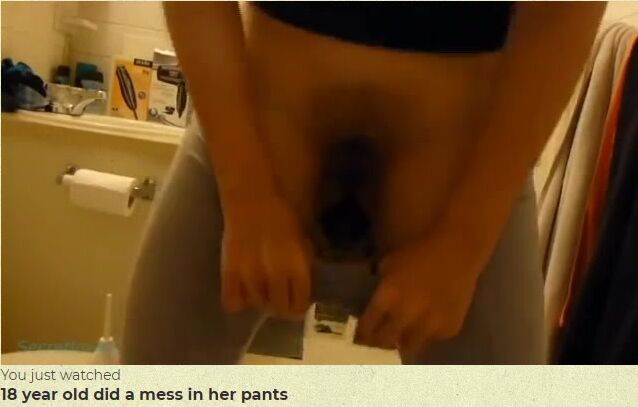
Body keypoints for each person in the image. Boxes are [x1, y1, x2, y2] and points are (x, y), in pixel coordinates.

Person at [121, 2, 605, 364]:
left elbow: (565, 13)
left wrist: (462, 246)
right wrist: (246, 198)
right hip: (243, 181)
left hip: (457, 218)